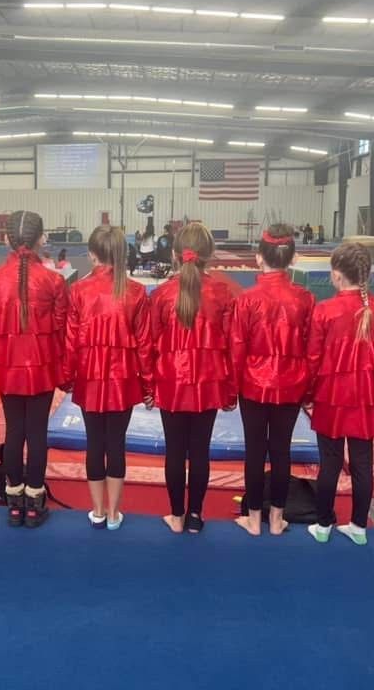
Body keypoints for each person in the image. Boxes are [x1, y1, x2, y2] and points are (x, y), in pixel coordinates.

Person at [0, 211, 69, 528]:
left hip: (7, 364)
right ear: (41, 238)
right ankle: (34, 500)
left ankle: (14, 500)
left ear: (6, 239)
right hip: (42, 364)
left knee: (14, 431)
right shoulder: (54, 281)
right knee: (37, 432)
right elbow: (61, 328)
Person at [63, 226, 153, 530]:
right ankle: (114, 513)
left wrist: (67, 377)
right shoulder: (136, 291)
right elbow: (145, 345)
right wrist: (149, 385)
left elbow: (70, 342)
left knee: (95, 443)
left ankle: (98, 511)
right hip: (123, 379)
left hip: (90, 376)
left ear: (91, 255)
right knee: (116, 443)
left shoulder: (78, 291)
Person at [305, 243, 374, 545]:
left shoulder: (325, 311)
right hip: (367, 397)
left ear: (335, 275)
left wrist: (308, 394)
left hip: (332, 396)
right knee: (362, 461)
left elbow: (313, 358)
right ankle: (358, 526)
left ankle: (323, 524)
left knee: (329, 462)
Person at [150, 223, 235, 534]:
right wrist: (230, 389)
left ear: (174, 255)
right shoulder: (222, 293)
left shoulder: (160, 294)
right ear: (209, 256)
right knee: (199, 450)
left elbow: (151, 344)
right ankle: (195, 516)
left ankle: (175, 516)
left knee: (175, 450)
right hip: (207, 383)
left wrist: (149, 384)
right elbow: (231, 345)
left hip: (171, 382)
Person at [231, 223, 314, 536]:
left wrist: (232, 386)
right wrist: (310, 388)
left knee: (255, 450)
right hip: (291, 384)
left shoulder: (248, 299)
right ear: (292, 259)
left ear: (258, 258)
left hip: (254, 382)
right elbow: (312, 348)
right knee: (281, 450)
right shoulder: (304, 299)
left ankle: (254, 519)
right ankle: (277, 519)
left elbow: (237, 347)